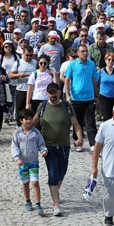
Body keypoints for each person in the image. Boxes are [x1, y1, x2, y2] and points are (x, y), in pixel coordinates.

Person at [31, 82, 83, 217]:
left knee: (61, 173)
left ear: (60, 92)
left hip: (64, 146)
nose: (52, 95)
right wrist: (21, 131)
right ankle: (55, 204)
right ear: (47, 93)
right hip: (48, 146)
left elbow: (76, 124)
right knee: (53, 173)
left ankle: (56, 191)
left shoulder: (67, 106)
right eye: (50, 92)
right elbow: (33, 122)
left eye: (54, 92)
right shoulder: (42, 107)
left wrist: (80, 138)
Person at [11, 108, 48, 215]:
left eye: (30, 119)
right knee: (25, 182)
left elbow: (41, 144)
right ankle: (27, 201)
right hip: (22, 163)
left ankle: (38, 204)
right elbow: (14, 147)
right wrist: (17, 158)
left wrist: (43, 151)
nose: (28, 121)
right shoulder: (17, 133)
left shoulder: (36, 133)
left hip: (33, 162)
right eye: (26, 119)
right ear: (21, 120)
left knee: (35, 182)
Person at [64, 44, 100, 152]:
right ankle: (78, 141)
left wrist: (96, 95)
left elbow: (94, 80)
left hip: (89, 97)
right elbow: (67, 80)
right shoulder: (72, 64)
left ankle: (92, 143)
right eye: (82, 51)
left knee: (91, 121)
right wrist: (67, 95)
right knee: (77, 121)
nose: (85, 53)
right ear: (78, 53)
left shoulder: (92, 64)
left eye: (86, 51)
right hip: (76, 98)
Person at [8, 45, 37, 125]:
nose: (29, 57)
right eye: (27, 55)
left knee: (31, 111)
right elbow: (10, 75)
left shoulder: (35, 63)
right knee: (19, 111)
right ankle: (19, 127)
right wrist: (20, 75)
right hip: (20, 90)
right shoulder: (17, 63)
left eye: (31, 55)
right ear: (23, 53)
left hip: (32, 91)